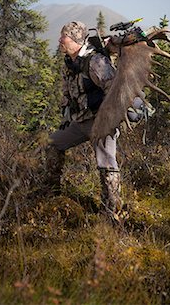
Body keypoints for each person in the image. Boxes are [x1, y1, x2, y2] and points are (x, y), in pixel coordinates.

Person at [46, 21, 122, 217]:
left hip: (101, 123)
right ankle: (51, 193)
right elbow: (67, 93)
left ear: (75, 40)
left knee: (106, 165)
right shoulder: (70, 63)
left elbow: (114, 90)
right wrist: (65, 115)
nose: (60, 40)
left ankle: (111, 212)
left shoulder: (96, 62)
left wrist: (108, 120)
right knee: (53, 144)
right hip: (79, 122)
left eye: (63, 37)